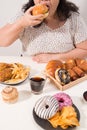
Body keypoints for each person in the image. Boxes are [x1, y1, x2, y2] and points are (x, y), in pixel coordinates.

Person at [0, 0, 87, 63]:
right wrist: (22, 23)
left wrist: (54, 58)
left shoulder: (73, 18)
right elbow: (2, 41)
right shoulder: (25, 15)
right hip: (31, 71)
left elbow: (84, 49)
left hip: (65, 69)